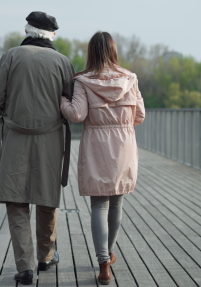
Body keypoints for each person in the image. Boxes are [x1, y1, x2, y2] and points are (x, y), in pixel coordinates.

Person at [0, 11, 74, 285]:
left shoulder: (11, 56)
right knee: (47, 197)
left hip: (15, 136)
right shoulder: (62, 62)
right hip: (50, 138)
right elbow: (69, 103)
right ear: (51, 35)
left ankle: (24, 267)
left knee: (15, 199)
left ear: (28, 31)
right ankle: (45, 258)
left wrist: (3, 125)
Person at [60, 31, 145, 285]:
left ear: (91, 52)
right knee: (116, 203)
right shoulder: (130, 79)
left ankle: (103, 262)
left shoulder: (84, 81)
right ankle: (109, 255)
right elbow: (139, 115)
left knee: (99, 205)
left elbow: (76, 114)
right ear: (113, 51)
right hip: (123, 145)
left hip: (96, 144)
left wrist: (63, 100)